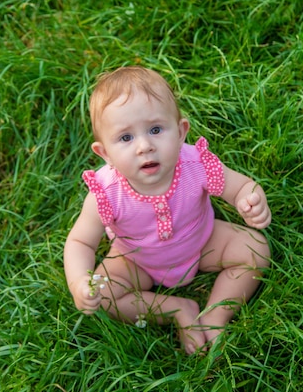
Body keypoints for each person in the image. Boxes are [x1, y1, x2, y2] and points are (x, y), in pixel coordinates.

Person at [63, 66, 271, 354]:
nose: (145, 146)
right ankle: (175, 310)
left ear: (181, 132)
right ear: (105, 153)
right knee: (105, 296)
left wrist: (251, 199)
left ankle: (216, 314)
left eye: (156, 130)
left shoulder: (195, 164)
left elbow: (240, 187)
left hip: (203, 239)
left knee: (255, 248)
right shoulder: (106, 193)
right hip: (136, 259)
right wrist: (78, 281)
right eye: (126, 138)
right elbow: (80, 242)